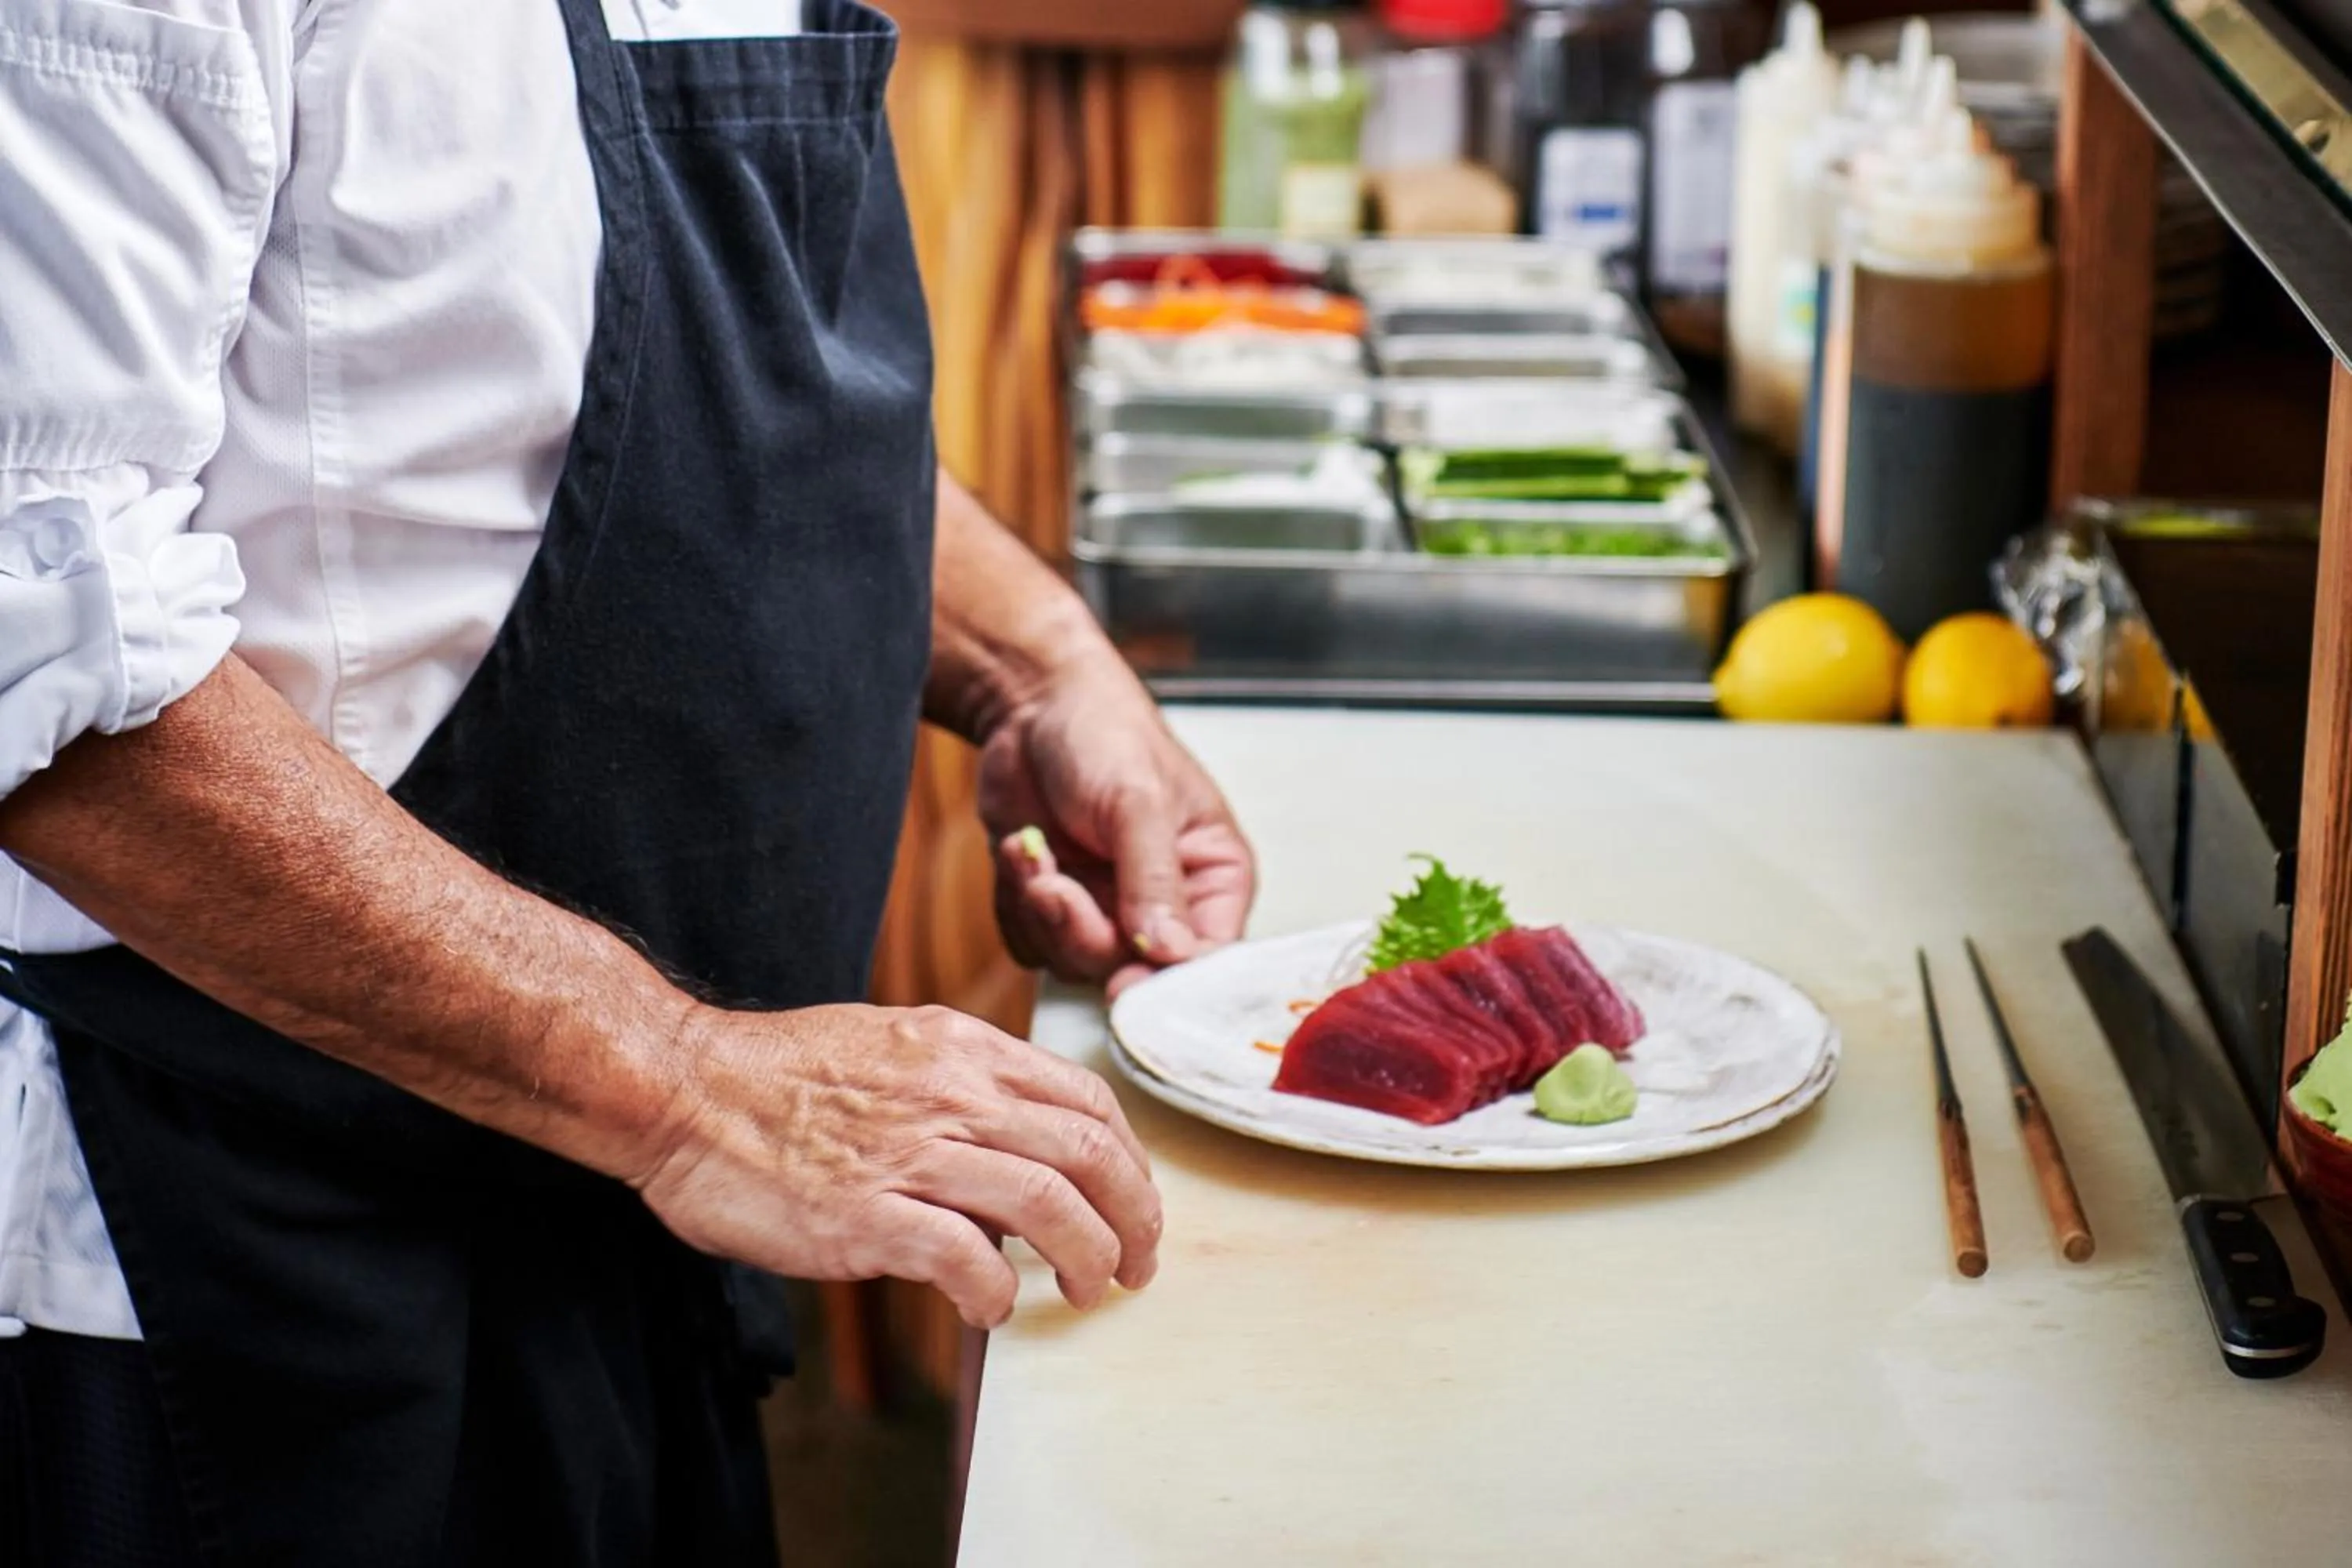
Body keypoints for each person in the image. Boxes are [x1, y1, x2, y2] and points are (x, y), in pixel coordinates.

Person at [0, 0, 1254, 1562]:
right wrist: (680, 1085)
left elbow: (575, 395)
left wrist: (1036, 659)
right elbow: (37, 626)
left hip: (638, 1220)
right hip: (249, 1275)